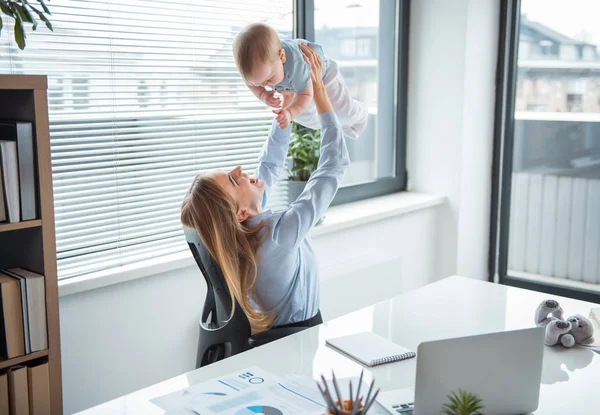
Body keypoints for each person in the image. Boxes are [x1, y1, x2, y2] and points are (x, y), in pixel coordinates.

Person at [181, 44, 350, 333]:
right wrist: (320, 94)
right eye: (234, 180)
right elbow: (332, 168)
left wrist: (285, 112)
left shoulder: (248, 237)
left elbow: (269, 165)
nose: (239, 170)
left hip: (276, 337)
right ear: (241, 213)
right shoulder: (277, 236)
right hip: (301, 335)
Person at [232, 22, 367, 140]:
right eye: (258, 82)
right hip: (295, 86)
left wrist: (290, 112)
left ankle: (361, 113)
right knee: (305, 118)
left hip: (323, 75)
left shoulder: (297, 65)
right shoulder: (257, 72)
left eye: (269, 79)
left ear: (282, 56)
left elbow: (305, 95)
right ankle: (344, 126)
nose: (266, 85)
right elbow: (250, 84)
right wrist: (263, 95)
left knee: (343, 110)